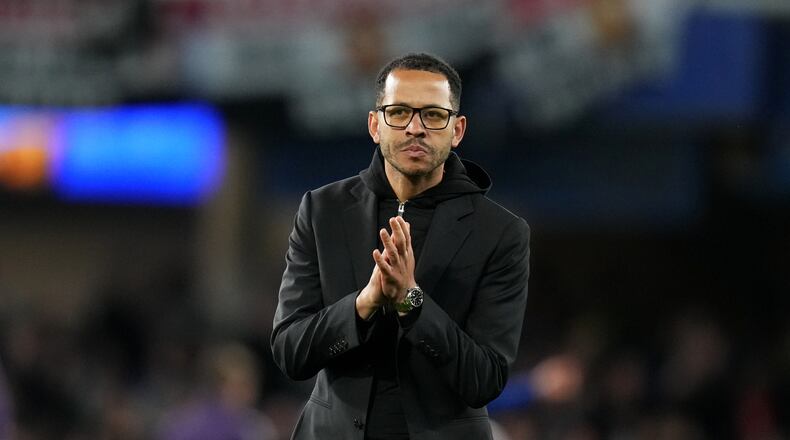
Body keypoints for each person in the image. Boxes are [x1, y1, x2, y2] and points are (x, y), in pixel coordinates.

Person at [271, 52, 530, 440]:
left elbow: (485, 379)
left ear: (457, 130)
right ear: (375, 124)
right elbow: (290, 350)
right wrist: (364, 303)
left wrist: (411, 302)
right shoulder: (322, 210)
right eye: (400, 113)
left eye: (433, 115)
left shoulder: (500, 232)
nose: (415, 128)